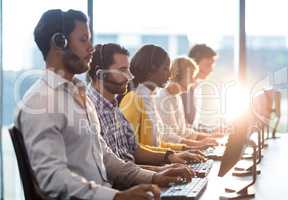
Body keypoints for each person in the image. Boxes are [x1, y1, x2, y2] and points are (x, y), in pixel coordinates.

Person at [14, 9, 194, 200]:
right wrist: (116, 197)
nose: (91, 48)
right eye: (83, 40)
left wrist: (155, 176)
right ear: (59, 42)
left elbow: (106, 159)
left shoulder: (79, 96)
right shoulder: (42, 102)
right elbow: (52, 179)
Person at [87, 43, 206, 173]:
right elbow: (117, 165)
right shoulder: (129, 100)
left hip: (135, 174)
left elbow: (133, 148)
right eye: (122, 70)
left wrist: (172, 156)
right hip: (126, 181)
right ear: (100, 74)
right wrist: (161, 169)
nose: (130, 76)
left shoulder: (115, 106)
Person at [119, 44, 216, 151]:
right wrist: (170, 157)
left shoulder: (150, 98)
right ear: (152, 69)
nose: (170, 75)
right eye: (166, 69)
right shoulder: (134, 99)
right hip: (149, 165)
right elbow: (133, 150)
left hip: (156, 163)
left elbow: (159, 143)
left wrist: (186, 149)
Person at [155, 57, 218, 147]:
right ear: (178, 75)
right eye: (191, 76)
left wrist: (209, 137)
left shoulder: (176, 96)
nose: (193, 81)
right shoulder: (162, 98)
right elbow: (167, 137)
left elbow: (182, 131)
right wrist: (199, 144)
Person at [181, 44, 217, 128]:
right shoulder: (181, 89)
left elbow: (193, 125)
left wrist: (211, 130)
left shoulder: (197, 87)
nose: (211, 69)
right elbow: (184, 126)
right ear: (194, 63)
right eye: (208, 64)